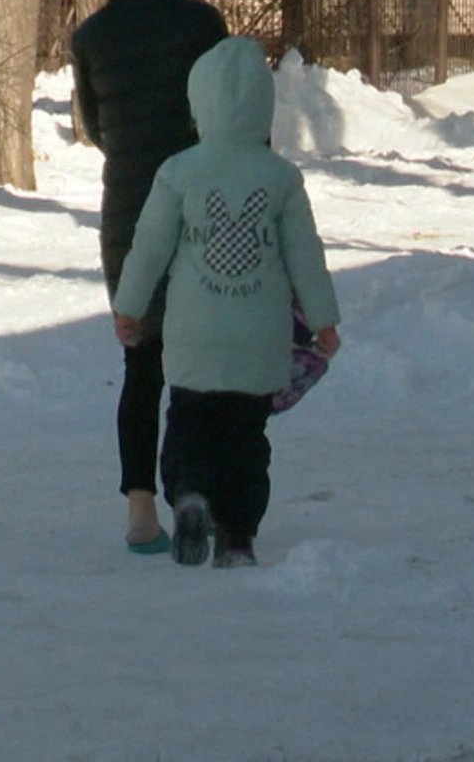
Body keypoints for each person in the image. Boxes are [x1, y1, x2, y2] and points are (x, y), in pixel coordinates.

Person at [111, 36, 342, 568]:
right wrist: (323, 320)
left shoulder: (178, 172)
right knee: (246, 440)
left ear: (199, 105)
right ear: (264, 108)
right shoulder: (281, 178)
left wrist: (130, 308)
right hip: (259, 340)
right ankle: (237, 534)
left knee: (189, 422)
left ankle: (189, 494)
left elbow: (148, 249)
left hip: (193, 336)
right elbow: (307, 256)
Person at [71, 0, 229, 555]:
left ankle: (140, 510)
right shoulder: (201, 25)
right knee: (198, 358)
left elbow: (97, 129)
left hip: (129, 214)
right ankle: (194, 489)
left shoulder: (94, 35)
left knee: (142, 362)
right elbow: (228, 111)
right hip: (199, 207)